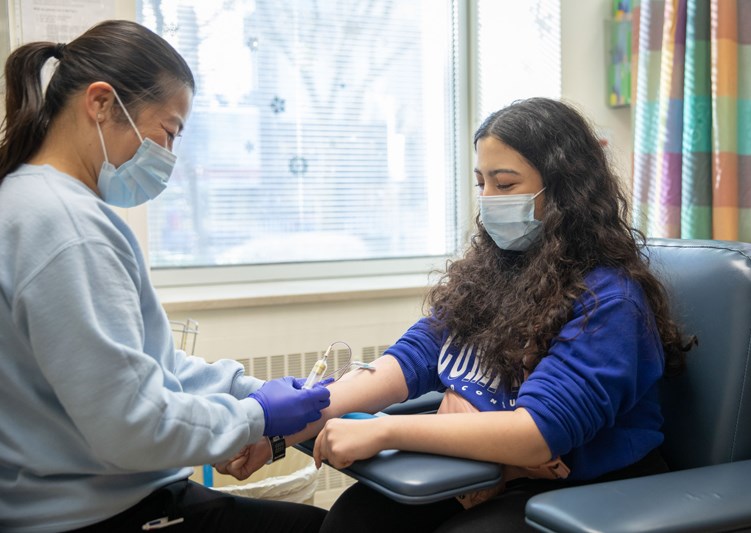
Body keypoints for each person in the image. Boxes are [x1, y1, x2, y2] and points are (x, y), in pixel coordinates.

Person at [216, 97, 694, 532]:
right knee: (353, 521)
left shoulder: (608, 302)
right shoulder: (495, 273)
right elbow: (412, 359)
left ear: (565, 190)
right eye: (481, 182)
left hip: (582, 487)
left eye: (505, 184)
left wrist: (385, 428)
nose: (487, 199)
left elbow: (538, 433)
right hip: (484, 466)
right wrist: (283, 429)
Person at [0, 20, 330, 533]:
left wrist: (246, 390)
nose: (169, 157)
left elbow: (137, 363)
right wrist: (256, 417)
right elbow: (133, 423)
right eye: (168, 132)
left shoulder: (28, 200)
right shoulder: (68, 227)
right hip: (100, 514)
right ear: (102, 103)